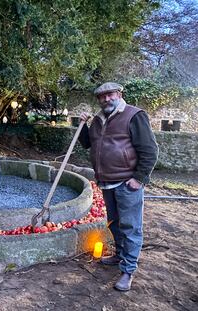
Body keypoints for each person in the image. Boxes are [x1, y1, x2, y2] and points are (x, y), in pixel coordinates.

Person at [78, 82, 158, 291]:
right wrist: (82, 126)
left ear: (119, 94)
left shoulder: (134, 115)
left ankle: (128, 270)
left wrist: (139, 178)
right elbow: (88, 144)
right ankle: (120, 256)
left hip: (127, 182)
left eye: (110, 95)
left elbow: (150, 150)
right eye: (101, 97)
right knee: (114, 223)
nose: (106, 99)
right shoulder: (97, 120)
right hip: (106, 183)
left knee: (131, 227)